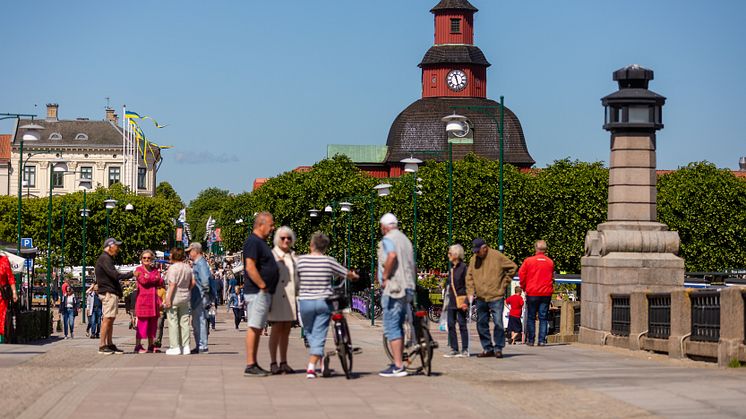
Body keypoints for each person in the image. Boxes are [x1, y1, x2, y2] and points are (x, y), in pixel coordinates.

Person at [297, 232, 359, 379]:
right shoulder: (328, 261)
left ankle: (314, 365)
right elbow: (346, 274)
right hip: (323, 302)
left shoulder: (301, 260)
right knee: (319, 333)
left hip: (305, 301)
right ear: (325, 247)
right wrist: (354, 276)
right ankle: (314, 366)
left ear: (311, 245)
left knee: (310, 333)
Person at [377, 213, 416, 378]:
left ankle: (398, 365)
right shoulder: (406, 240)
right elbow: (413, 265)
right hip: (408, 287)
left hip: (394, 288)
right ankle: (399, 362)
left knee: (392, 326)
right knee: (399, 325)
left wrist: (385, 276)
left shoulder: (388, 239)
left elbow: (391, 256)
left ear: (385, 227)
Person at [466, 238, 517, 359]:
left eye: (478, 251)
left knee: (498, 323)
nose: (476, 253)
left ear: (485, 248)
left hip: (496, 296)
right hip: (481, 297)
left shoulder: (497, 256)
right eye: (475, 251)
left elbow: (513, 267)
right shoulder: (474, 259)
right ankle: (487, 348)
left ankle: (498, 348)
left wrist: (504, 283)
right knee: (481, 324)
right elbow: (469, 276)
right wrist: (470, 291)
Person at [243, 212, 279, 377]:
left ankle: (254, 363)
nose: (273, 228)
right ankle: (250, 364)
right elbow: (250, 266)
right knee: (254, 326)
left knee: (257, 327)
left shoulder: (261, 242)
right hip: (257, 292)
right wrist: (263, 285)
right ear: (260, 224)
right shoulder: (253, 242)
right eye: (271, 225)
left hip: (261, 292)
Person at [268, 226, 299, 375]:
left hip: (291, 296)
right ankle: (273, 362)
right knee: (276, 329)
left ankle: (284, 361)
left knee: (286, 329)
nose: (286, 240)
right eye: (283, 238)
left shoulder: (293, 256)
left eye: (289, 238)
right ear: (277, 240)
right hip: (277, 296)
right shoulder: (272, 255)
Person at [95, 238, 134, 355]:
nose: (118, 249)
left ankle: (109, 344)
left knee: (111, 318)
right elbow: (114, 275)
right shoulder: (105, 258)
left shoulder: (106, 258)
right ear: (110, 246)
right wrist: (131, 273)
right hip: (108, 293)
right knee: (107, 318)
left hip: (110, 292)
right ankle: (102, 345)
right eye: (116, 246)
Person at [518, 240, 555, 346]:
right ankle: (542, 340)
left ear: (536, 248)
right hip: (546, 293)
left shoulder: (529, 261)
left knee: (531, 316)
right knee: (543, 317)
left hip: (532, 291)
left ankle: (531, 340)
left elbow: (522, 274)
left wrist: (524, 286)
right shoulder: (550, 262)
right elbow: (552, 277)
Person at [163, 248, 195, 355]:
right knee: (184, 322)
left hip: (174, 297)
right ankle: (186, 346)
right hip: (185, 296)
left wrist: (168, 299)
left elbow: (172, 285)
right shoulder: (188, 267)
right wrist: (187, 289)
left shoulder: (172, 268)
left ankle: (175, 346)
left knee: (173, 322)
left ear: (174, 256)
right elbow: (193, 282)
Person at [133, 250, 164, 353]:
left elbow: (160, 281)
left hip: (154, 301)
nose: (146, 260)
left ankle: (151, 345)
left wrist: (150, 278)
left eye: (148, 258)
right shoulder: (138, 269)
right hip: (143, 301)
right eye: (144, 258)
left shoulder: (155, 270)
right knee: (142, 324)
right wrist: (153, 278)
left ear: (152, 259)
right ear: (141, 259)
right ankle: (138, 346)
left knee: (153, 325)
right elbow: (143, 281)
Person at [186, 242, 212, 354]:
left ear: (195, 251)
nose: (188, 254)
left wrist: (205, 293)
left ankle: (202, 346)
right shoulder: (198, 263)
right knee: (197, 322)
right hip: (198, 296)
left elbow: (205, 280)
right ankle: (200, 345)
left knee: (200, 321)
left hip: (200, 296)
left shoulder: (200, 263)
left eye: (189, 252)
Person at [444, 244, 469, 358]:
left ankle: (465, 349)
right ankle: (454, 348)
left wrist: (466, 302)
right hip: (451, 300)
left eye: (450, 253)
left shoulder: (464, 268)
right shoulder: (451, 268)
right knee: (450, 324)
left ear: (456, 254)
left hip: (461, 300)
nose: (448, 255)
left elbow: (468, 285)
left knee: (462, 324)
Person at [0, 253, 17, 343]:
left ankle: (4, 339)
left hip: (2, 296)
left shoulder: (4, 261)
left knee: (3, 318)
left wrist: (14, 292)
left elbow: (10, 278)